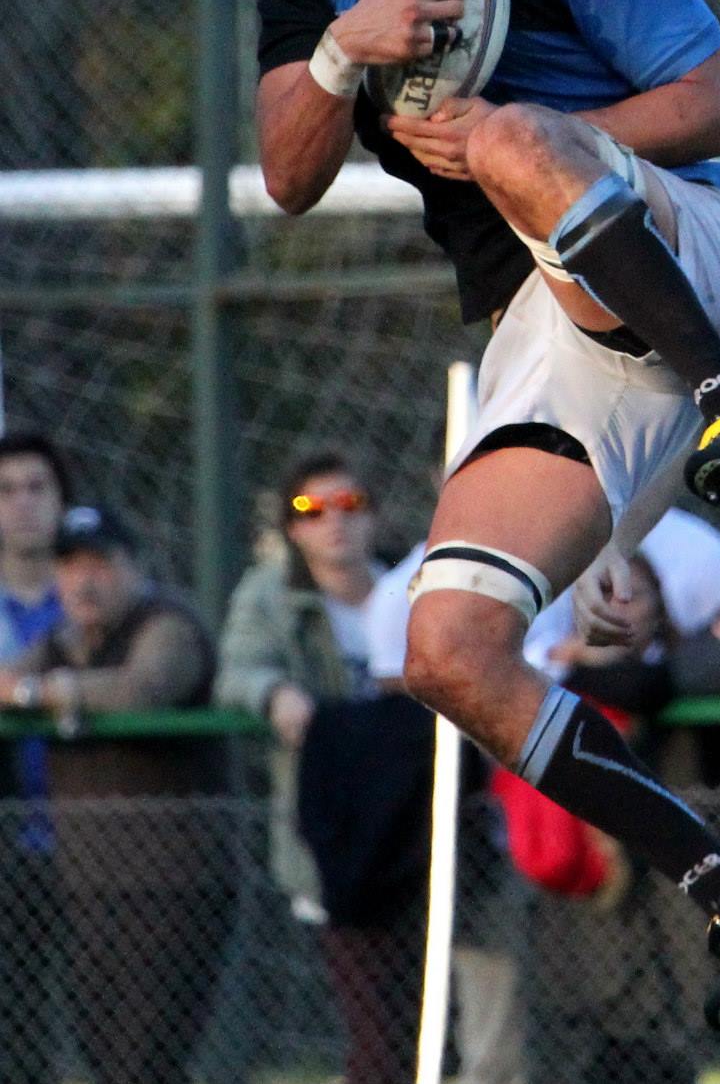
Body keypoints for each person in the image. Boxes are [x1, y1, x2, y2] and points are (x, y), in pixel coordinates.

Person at [254, 0, 720, 1029]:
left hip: (687, 259)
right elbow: (288, 178)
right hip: (551, 320)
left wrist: (532, 130)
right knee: (446, 647)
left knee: (513, 137)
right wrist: (350, 45)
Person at [2, 506, 235, 1084]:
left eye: (100, 564)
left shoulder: (169, 622)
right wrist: (40, 688)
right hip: (88, 886)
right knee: (102, 1054)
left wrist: (42, 692)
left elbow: (145, 688)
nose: (83, 581)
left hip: (174, 886)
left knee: (147, 1059)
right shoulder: (62, 642)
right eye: (70, 566)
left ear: (133, 565)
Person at [217, 452, 429, 1084]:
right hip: (337, 836)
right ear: (291, 526)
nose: (334, 522)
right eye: (313, 509)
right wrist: (273, 692)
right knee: (374, 1028)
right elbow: (236, 671)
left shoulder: (411, 589)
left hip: (421, 825)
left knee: (436, 1018)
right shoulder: (270, 597)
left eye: (351, 505)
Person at [0, 431, 71, 1082]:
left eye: (37, 486)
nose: (23, 503)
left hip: (95, 841)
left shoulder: (96, 592)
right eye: (6, 489)